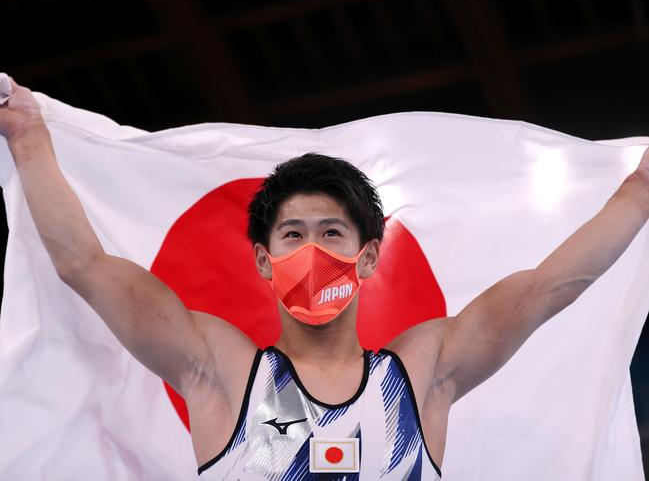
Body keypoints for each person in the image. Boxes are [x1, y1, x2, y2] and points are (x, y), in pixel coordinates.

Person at [1, 75, 648, 480]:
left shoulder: (421, 371)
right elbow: (85, 265)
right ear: (262, 259)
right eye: (292, 235)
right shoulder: (219, 371)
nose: (312, 250)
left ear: (368, 257)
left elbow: (547, 286)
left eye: (332, 233)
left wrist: (639, 192)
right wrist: (28, 137)